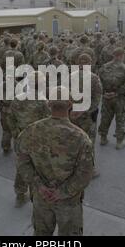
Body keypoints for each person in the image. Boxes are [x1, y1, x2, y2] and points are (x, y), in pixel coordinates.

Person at [16, 86, 94, 236]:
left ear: (48, 104)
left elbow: (22, 163)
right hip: (69, 202)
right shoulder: (81, 138)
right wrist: (61, 192)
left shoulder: (31, 131)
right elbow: (84, 174)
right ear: (70, 104)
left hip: (41, 197)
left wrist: (39, 185)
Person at [9, 71, 51, 207]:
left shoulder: (18, 98)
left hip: (21, 137)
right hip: (36, 140)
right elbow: (47, 123)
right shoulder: (42, 102)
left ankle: (20, 194)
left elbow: (10, 118)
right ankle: (35, 197)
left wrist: (16, 133)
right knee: (37, 169)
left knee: (22, 165)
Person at [69, 54, 102, 177]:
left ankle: (72, 167)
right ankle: (90, 169)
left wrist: (71, 110)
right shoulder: (94, 78)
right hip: (87, 116)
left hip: (72, 115)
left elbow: (65, 95)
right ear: (90, 63)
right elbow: (97, 99)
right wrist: (84, 111)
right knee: (89, 142)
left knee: (73, 141)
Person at [98, 48, 125, 149]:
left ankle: (103, 138)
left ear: (113, 55)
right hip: (120, 98)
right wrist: (116, 93)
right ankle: (119, 142)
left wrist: (104, 93)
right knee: (121, 118)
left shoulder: (104, 67)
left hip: (106, 97)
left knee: (105, 117)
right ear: (122, 55)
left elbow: (98, 81)